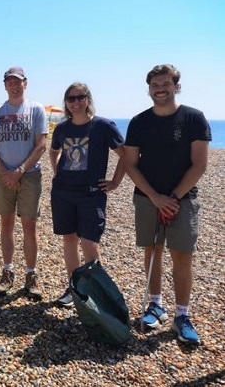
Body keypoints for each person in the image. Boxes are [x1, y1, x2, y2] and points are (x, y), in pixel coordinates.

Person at [124, 64, 211, 345]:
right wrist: (154, 197)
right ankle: (156, 304)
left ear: (176, 86)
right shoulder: (139, 121)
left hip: (182, 200)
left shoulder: (194, 118)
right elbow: (131, 165)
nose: (160, 89)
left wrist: (172, 198)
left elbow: (200, 164)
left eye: (165, 84)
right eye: (155, 85)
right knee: (152, 252)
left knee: (182, 256)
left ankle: (182, 315)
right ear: (148, 89)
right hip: (147, 198)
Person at [49, 83, 125, 307]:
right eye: (71, 98)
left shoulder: (102, 126)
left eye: (80, 97)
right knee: (69, 239)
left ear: (88, 99)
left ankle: (97, 292)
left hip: (91, 194)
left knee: (90, 243)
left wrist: (115, 181)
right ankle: (75, 288)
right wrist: (56, 172)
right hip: (63, 192)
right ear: (66, 103)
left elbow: (126, 154)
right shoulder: (62, 128)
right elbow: (54, 151)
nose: (75, 102)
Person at [0, 67, 47, 299]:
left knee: (29, 225)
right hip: (2, 176)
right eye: (10, 82)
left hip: (29, 175)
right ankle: (7, 272)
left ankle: (31, 275)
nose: (14, 85)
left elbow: (41, 145)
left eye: (17, 81)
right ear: (5, 85)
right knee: (6, 223)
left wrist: (19, 171)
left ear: (25, 83)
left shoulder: (36, 109)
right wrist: (5, 173)